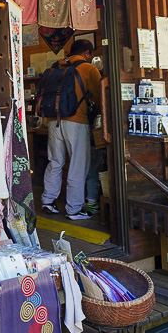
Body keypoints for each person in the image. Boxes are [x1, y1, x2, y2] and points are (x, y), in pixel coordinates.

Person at [35, 40, 102, 220]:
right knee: (78, 165)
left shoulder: (57, 66)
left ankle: (48, 201)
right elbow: (99, 95)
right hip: (76, 121)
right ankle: (74, 208)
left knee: (55, 162)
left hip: (52, 120)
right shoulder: (89, 68)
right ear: (87, 53)